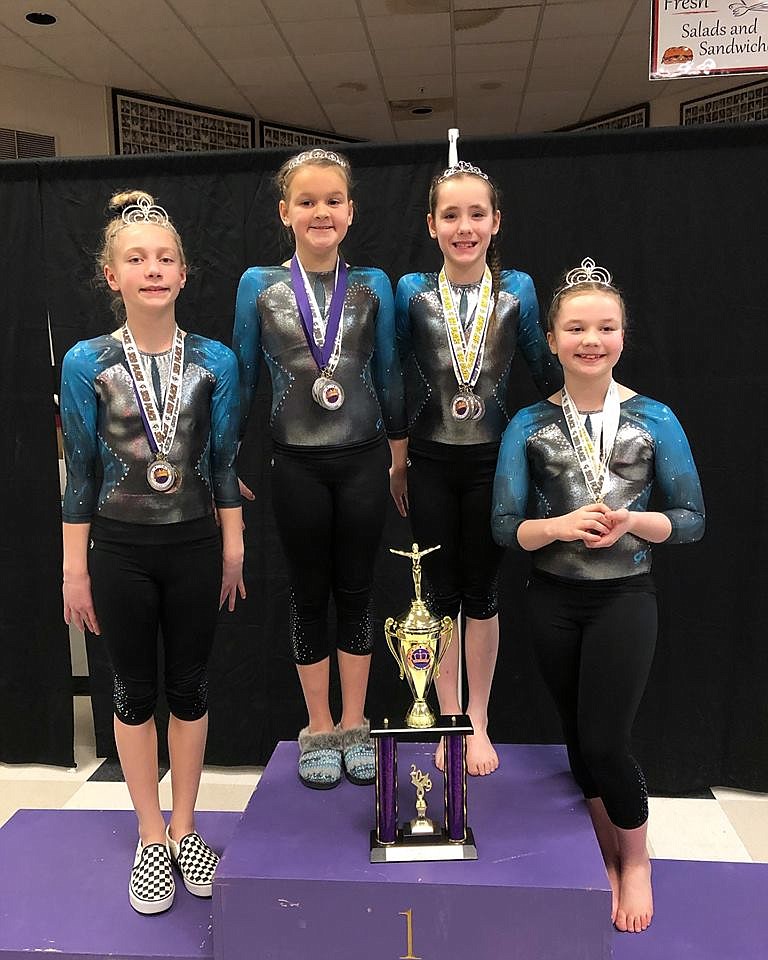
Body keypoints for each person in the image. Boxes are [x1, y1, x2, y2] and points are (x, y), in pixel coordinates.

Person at [491, 257, 705, 932]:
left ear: (622, 336)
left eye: (605, 327)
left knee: (608, 742)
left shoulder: (654, 418)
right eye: (577, 328)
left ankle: (635, 858)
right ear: (551, 340)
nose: (592, 340)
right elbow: (505, 527)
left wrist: (633, 520)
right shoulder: (528, 424)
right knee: (579, 740)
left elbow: (693, 520)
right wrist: (556, 525)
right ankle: (601, 837)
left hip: (623, 596)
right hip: (552, 598)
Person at [60, 190, 244, 915]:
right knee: (133, 691)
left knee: (190, 687)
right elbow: (80, 467)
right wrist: (75, 567)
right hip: (120, 548)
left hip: (195, 541)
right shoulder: (87, 361)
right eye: (136, 259)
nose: (153, 269)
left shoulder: (215, 360)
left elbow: (224, 461)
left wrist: (233, 547)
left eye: (166, 258)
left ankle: (186, 825)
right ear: (112, 276)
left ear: (185, 271)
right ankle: (147, 835)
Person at [232, 149, 406, 791]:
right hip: (294, 463)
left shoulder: (374, 284)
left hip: (362, 459)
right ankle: (319, 725)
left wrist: (398, 453)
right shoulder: (259, 284)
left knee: (358, 588)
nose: (320, 212)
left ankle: (356, 721)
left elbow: (387, 371)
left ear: (351, 211)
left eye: (333, 200)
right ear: (285, 213)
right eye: (306, 202)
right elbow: (244, 375)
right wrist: (237, 456)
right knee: (309, 594)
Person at [393, 156, 561, 776]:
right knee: (437, 596)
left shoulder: (517, 289)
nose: (464, 226)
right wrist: (395, 457)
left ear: (496, 222)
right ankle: (445, 719)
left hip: (495, 461)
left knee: (482, 593)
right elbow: (387, 373)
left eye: (477, 214)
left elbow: (544, 366)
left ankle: (478, 719)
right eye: (451, 215)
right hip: (431, 458)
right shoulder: (412, 291)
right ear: (431, 224)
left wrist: (588, 400)